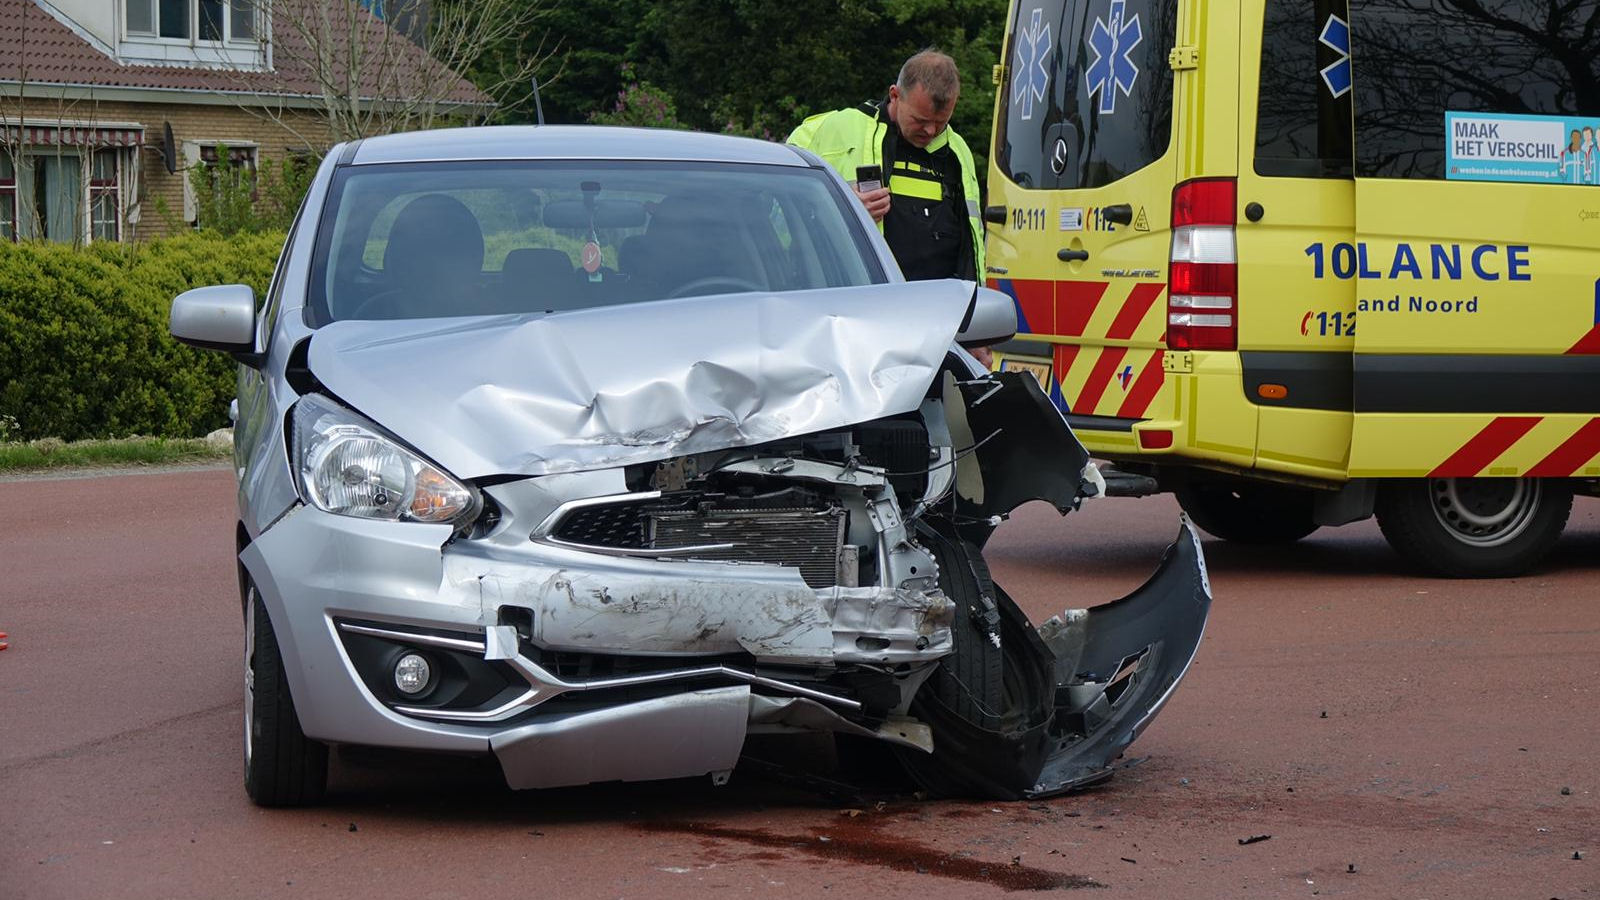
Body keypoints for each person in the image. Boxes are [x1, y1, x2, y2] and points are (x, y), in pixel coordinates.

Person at [788, 49, 985, 287]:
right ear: (895, 95)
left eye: (941, 122)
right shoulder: (833, 130)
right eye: (920, 120)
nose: (930, 131)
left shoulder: (958, 150)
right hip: (858, 299)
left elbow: (972, 243)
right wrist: (843, 209)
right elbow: (778, 202)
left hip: (944, 303)